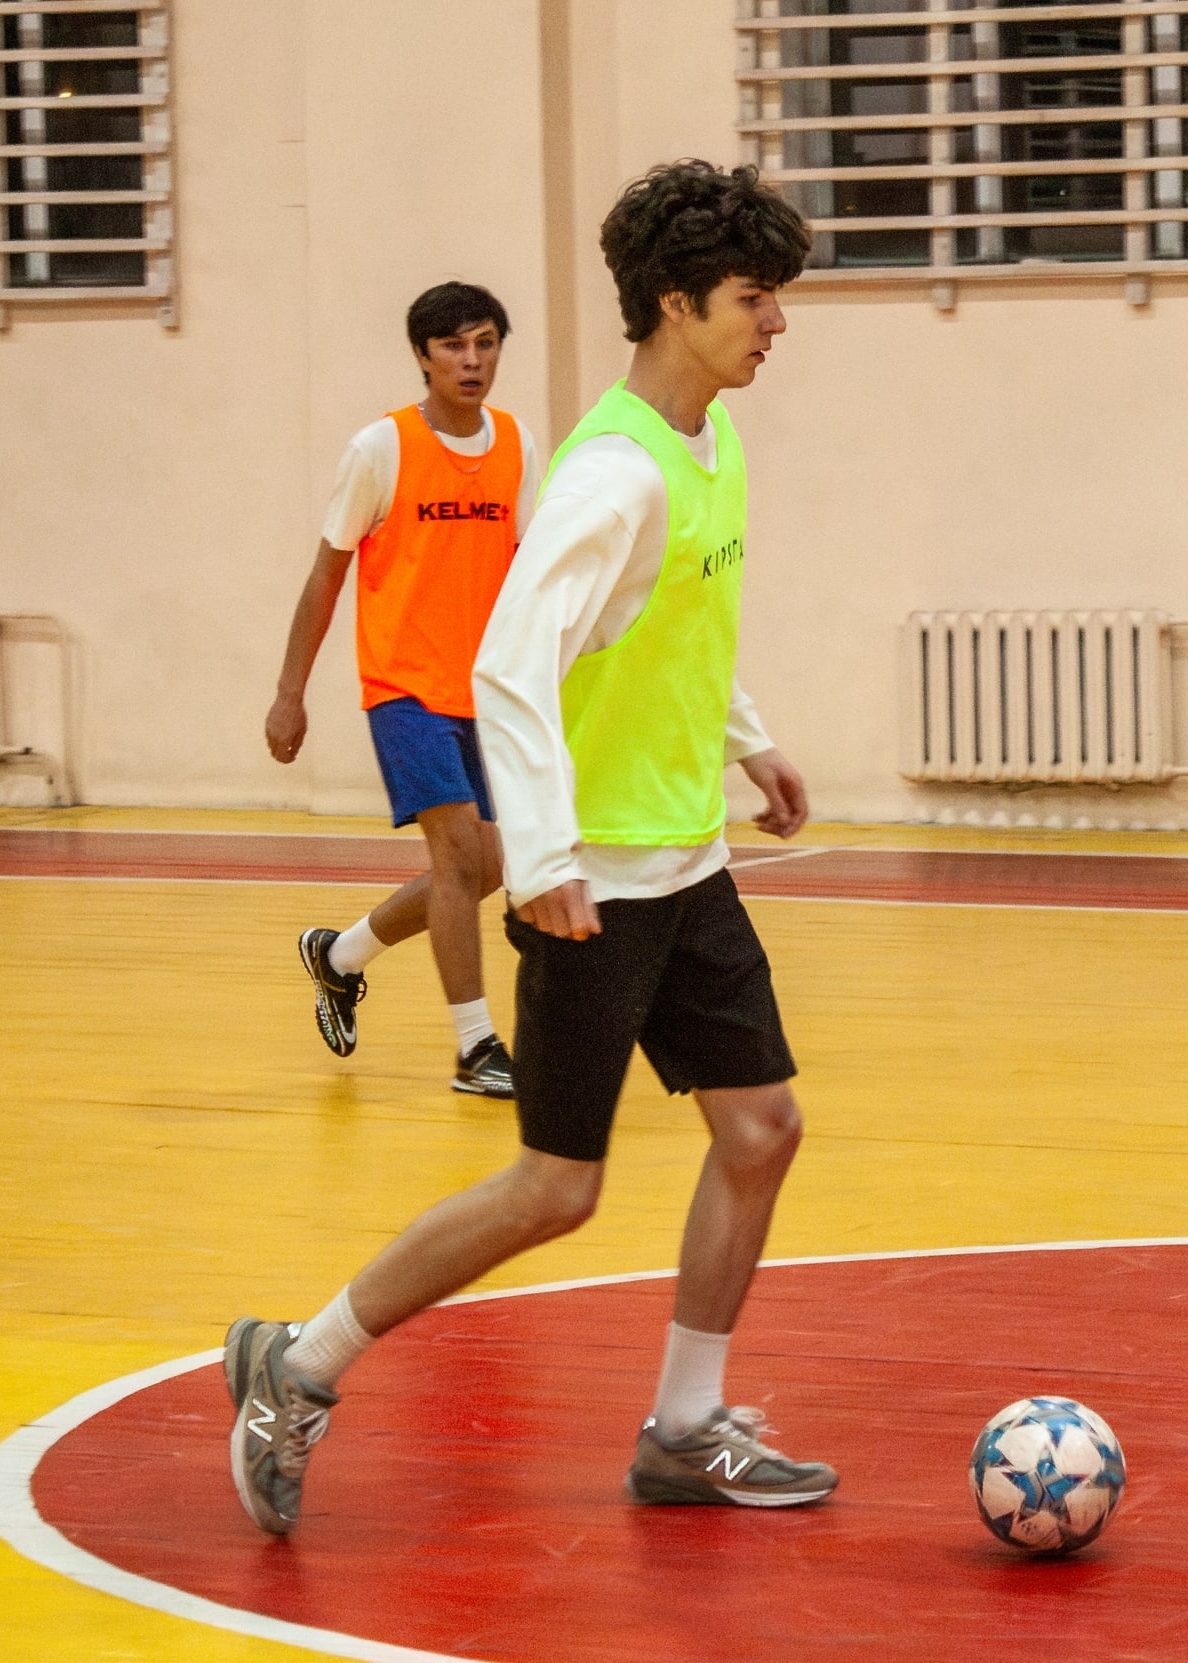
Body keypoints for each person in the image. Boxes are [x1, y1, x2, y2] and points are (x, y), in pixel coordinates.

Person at [224, 160, 828, 1536]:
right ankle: (298, 1364)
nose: (775, 323)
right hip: (596, 883)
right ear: (675, 304)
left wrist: (750, 742)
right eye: (753, 298)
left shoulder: (709, 444)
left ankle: (685, 1427)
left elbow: (664, 624)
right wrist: (544, 854)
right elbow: (510, 663)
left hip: (685, 860)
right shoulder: (610, 473)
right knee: (556, 1187)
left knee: (760, 1127)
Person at [264, 282, 543, 1097]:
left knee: (485, 867)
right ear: (422, 355)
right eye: (453, 345)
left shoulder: (518, 444)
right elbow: (325, 577)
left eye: (485, 343)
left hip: (487, 692)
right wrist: (290, 692)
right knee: (455, 855)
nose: (471, 360)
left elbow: (529, 573)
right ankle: (476, 1048)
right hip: (405, 690)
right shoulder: (380, 449)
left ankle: (341, 953)